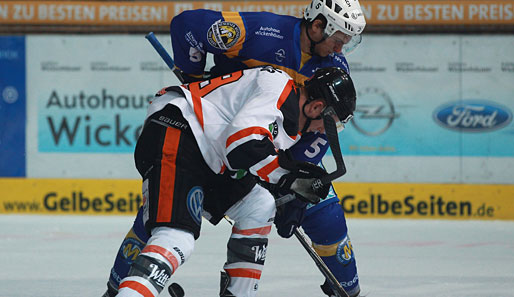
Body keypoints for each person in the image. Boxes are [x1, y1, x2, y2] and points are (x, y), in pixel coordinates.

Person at [101, 66, 357, 297]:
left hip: (209, 153)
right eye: (333, 124)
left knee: (260, 205)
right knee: (176, 237)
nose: (325, 132)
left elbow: (247, 152)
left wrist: (287, 192)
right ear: (315, 108)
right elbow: (241, 144)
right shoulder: (279, 89)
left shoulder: (291, 122)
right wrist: (288, 179)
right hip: (179, 130)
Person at [167, 1, 366, 296]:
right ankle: (119, 286)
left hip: (279, 147)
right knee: (164, 208)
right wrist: (194, 78)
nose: (339, 51)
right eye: (337, 41)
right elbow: (186, 27)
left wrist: (288, 183)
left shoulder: (333, 68)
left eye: (345, 45)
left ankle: (348, 290)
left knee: (325, 212)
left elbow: (322, 131)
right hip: (218, 136)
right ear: (317, 26)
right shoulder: (259, 32)